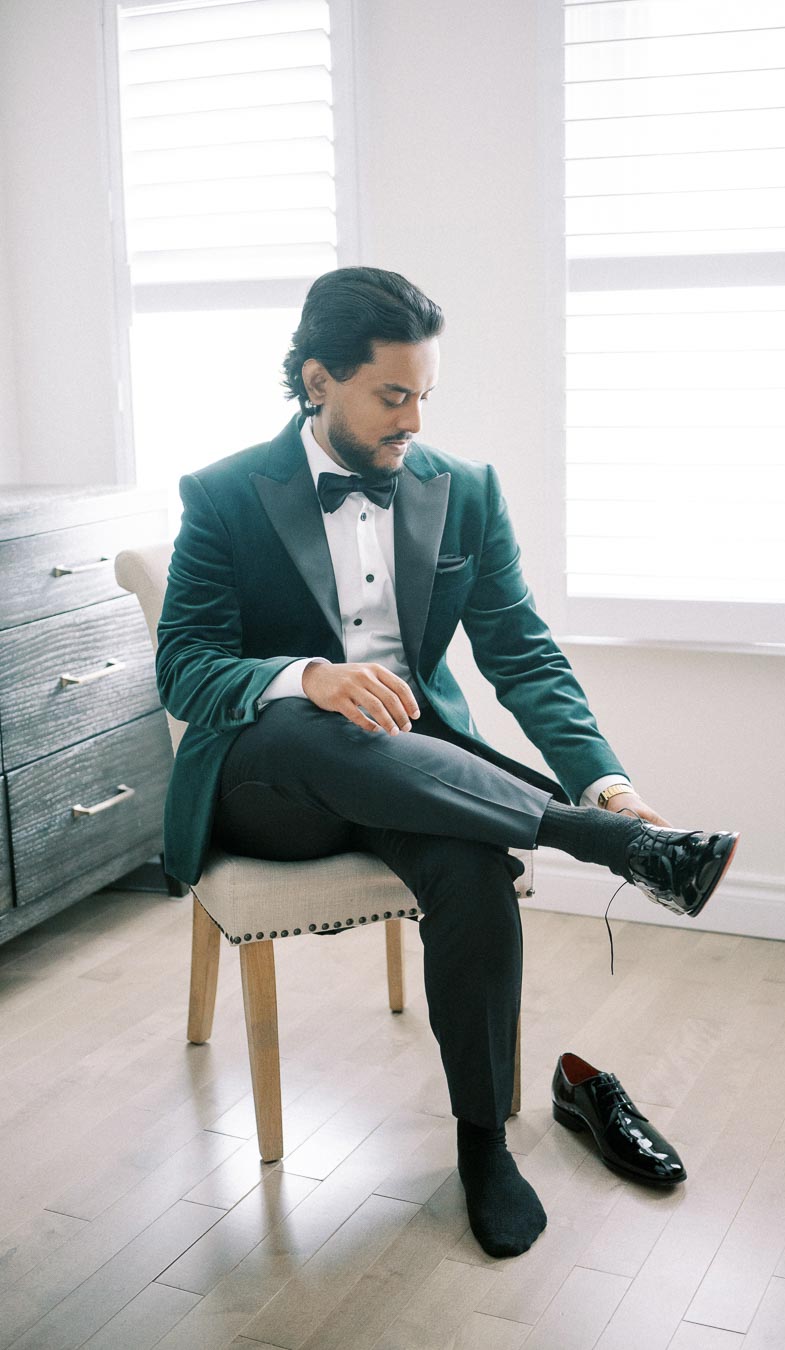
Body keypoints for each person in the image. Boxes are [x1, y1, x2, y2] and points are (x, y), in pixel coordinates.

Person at [156, 266, 738, 1259]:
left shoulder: (461, 490)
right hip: (275, 784)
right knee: (311, 721)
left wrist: (607, 778)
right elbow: (186, 664)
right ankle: (591, 843)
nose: (414, 420)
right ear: (315, 381)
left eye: (426, 395)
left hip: (414, 770)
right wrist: (307, 677)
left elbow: (521, 651)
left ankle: (483, 1146)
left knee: (471, 868)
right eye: (392, 395)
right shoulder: (222, 495)